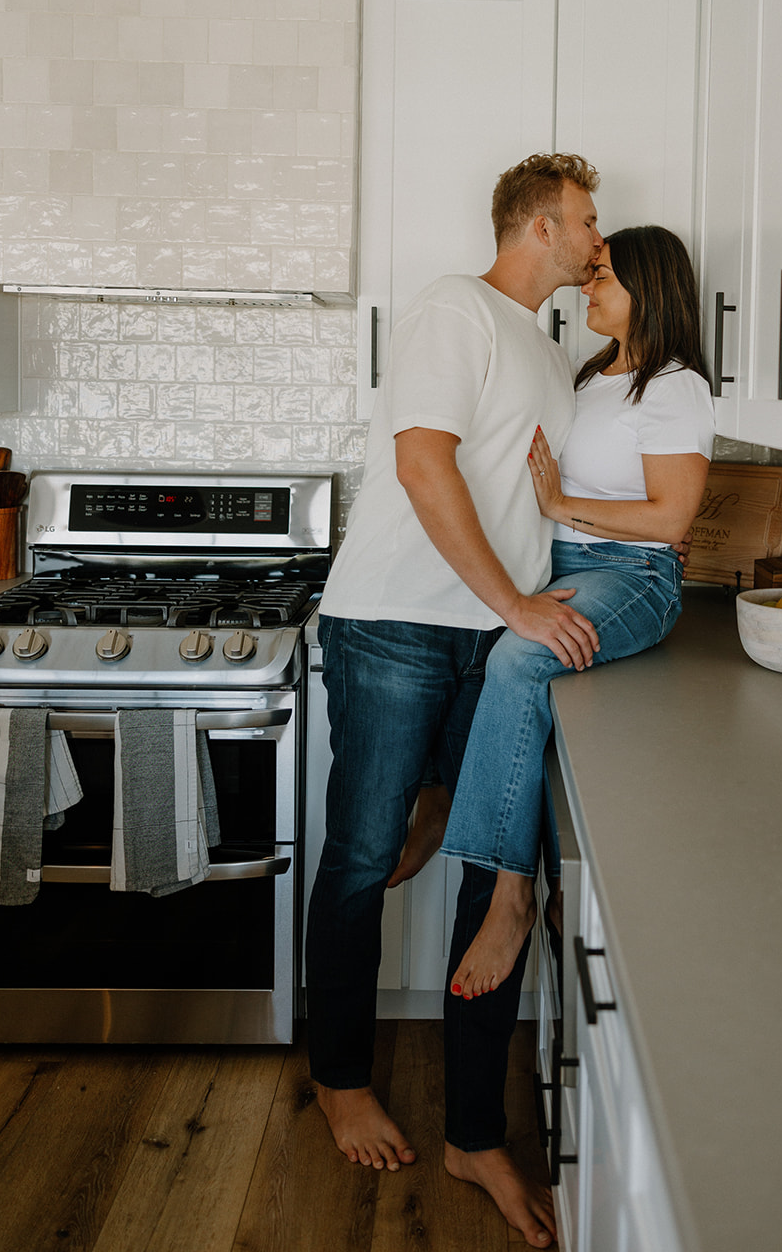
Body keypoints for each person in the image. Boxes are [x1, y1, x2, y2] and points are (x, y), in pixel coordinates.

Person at [305, 152, 604, 1251]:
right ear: (535, 224)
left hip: (489, 642)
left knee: (492, 879)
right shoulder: (453, 308)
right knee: (362, 858)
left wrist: (540, 602)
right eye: (583, 219)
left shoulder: (551, 345)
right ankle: (339, 1077)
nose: (593, 235)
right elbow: (424, 464)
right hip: (393, 623)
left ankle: (474, 1135)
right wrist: (517, 604)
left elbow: (530, 491)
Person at [439, 225, 714, 999]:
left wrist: (561, 502)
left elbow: (668, 521)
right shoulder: (594, 373)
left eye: (602, 278)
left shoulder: (675, 385)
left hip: (632, 576)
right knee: (471, 648)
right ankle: (442, 805)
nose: (585, 288)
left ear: (647, 291)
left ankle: (509, 897)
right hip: (566, 564)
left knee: (520, 654)